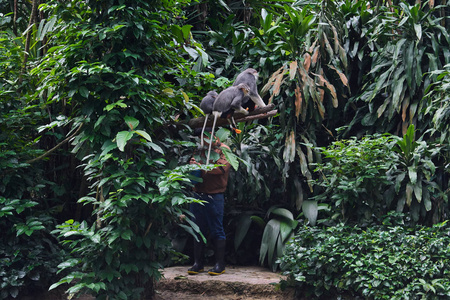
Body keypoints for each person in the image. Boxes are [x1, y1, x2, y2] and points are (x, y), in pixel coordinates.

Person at [187, 132, 231, 276]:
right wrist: (193, 164)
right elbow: (193, 165)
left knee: (216, 229)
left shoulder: (224, 150)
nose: (203, 140)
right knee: (197, 229)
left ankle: (220, 264)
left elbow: (221, 169)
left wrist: (201, 166)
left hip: (214, 194)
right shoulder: (199, 149)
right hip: (197, 194)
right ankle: (198, 263)